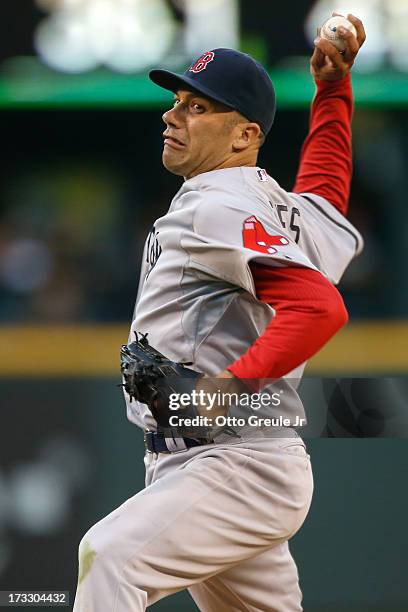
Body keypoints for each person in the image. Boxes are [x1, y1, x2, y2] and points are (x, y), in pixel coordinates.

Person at [74, 14, 366, 612]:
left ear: (244, 135)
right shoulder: (272, 208)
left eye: (198, 107)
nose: (171, 115)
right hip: (227, 463)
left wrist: (230, 385)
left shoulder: (217, 202)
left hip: (231, 463)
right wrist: (333, 93)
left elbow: (318, 308)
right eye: (177, 101)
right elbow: (326, 196)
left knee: (110, 559)